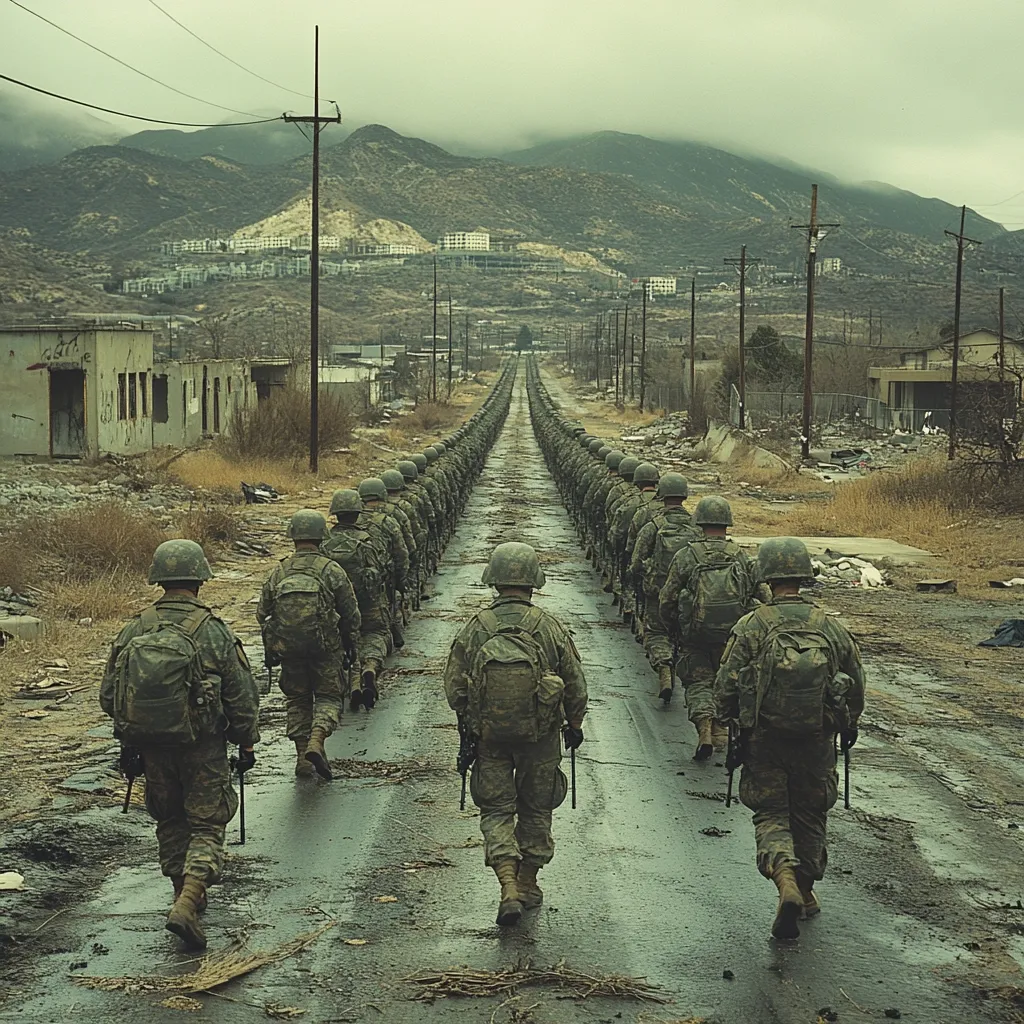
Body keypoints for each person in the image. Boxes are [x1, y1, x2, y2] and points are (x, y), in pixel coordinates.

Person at [100, 539, 260, 950]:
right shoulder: (213, 630)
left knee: (170, 819)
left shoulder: (136, 628)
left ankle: (179, 893)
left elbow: (108, 695)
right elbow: (241, 697)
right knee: (207, 824)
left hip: (151, 748)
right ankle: (188, 901)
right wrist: (246, 742)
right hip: (203, 747)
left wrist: (134, 733)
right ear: (200, 578)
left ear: (159, 579)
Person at [714, 537, 865, 940]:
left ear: (767, 576)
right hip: (817, 738)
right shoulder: (829, 626)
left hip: (765, 739)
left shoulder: (751, 625)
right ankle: (806, 888)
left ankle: (785, 880)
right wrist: (848, 723)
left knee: (771, 813)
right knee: (811, 813)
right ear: (803, 575)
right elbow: (855, 681)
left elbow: (727, 682)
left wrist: (727, 720)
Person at [443, 542, 588, 927]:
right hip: (541, 738)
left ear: (494, 580)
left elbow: (454, 689)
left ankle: (507, 884)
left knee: (496, 810)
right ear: (534, 581)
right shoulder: (550, 627)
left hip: (490, 739)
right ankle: (527, 883)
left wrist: (475, 720)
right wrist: (574, 725)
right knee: (537, 809)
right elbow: (575, 684)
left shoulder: (476, 628)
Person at [257, 510, 360, 780]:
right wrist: (350, 643)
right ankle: (317, 738)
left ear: (293, 536)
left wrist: (276, 643)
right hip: (326, 648)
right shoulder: (331, 570)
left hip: (290, 651)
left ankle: (303, 755)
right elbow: (350, 613)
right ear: (321, 536)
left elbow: (262, 613)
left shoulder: (279, 571)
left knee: (298, 699)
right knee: (328, 697)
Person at [658, 496, 762, 759]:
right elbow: (762, 596)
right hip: (732, 637)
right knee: (728, 681)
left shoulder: (687, 556)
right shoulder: (740, 556)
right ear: (727, 523)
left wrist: (674, 628)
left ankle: (705, 725)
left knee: (698, 682)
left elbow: (667, 599)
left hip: (695, 635)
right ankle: (723, 729)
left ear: (700, 521)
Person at [629, 472, 701, 702]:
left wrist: (642, 577)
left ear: (662, 494)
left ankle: (663, 666)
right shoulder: (697, 527)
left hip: (657, 592)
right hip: (688, 594)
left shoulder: (653, 525)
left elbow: (636, 560)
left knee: (657, 633)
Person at [323, 489, 389, 711]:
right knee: (375, 634)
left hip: (336, 604)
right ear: (357, 513)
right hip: (367, 601)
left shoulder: (324, 542)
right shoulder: (366, 541)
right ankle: (370, 667)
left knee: (344, 640)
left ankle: (352, 683)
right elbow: (380, 569)